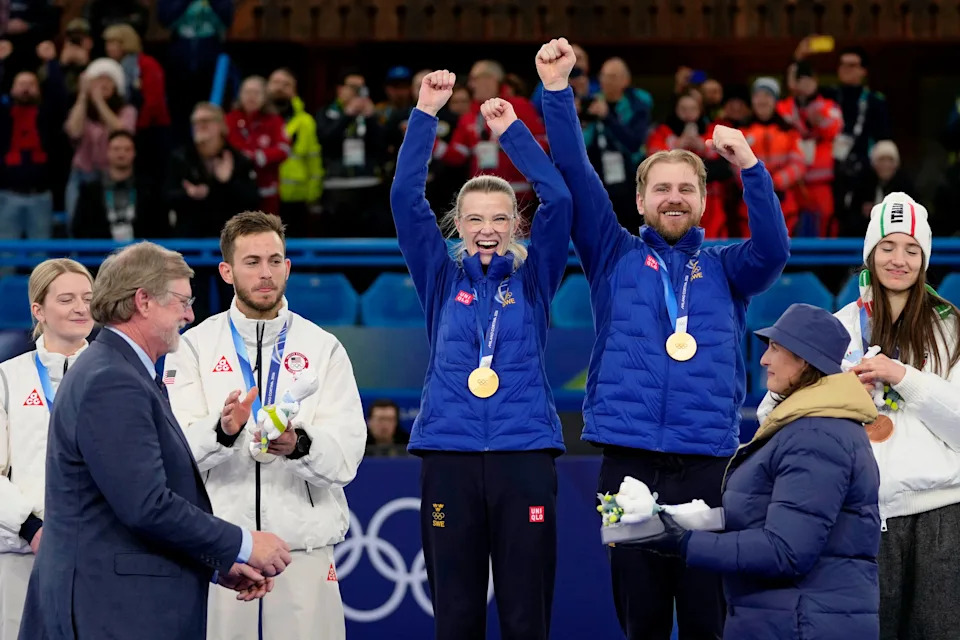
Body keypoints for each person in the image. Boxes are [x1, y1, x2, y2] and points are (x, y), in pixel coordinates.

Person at [536, 38, 790, 639]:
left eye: (686, 189)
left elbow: (776, 251)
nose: (673, 198)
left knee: (706, 615)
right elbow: (574, 170)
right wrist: (555, 92)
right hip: (627, 460)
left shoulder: (729, 268)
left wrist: (750, 166)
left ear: (703, 201)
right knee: (640, 614)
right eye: (661, 189)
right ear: (641, 199)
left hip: (708, 462)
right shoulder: (611, 253)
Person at [17, 242, 293, 640]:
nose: (189, 314)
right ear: (143, 301)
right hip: (111, 611)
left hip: (117, 603)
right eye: (181, 301)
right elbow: (145, 505)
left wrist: (216, 562)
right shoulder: (112, 380)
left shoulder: (122, 370)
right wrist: (242, 545)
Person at [391, 70, 572, 640]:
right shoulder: (439, 278)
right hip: (449, 455)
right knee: (456, 611)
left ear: (516, 225)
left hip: (524, 454)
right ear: (458, 227)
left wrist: (513, 132)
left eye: (500, 218)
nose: (488, 229)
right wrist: (426, 112)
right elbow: (404, 197)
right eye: (475, 219)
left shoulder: (537, 275)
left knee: (526, 612)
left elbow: (560, 196)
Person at [165, 211, 367, 640]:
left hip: (303, 552)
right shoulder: (193, 347)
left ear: (288, 267)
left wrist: (299, 446)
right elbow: (173, 451)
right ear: (226, 271)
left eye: (275, 261)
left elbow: (347, 457)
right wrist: (221, 431)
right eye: (252, 262)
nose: (265, 273)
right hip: (220, 551)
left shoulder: (324, 347)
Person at [635, 303, 881, 639]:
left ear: (804, 361)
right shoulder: (807, 427)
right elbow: (768, 518)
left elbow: (786, 551)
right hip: (791, 619)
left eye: (776, 349)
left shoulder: (817, 436)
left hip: (801, 625)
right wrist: (680, 522)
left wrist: (683, 542)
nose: (764, 359)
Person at [833, 192, 960, 639]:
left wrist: (904, 377)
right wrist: (840, 395)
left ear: (924, 259)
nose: (898, 260)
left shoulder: (952, 329)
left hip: (942, 516)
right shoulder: (841, 326)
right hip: (863, 514)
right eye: (887, 246)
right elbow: (784, 409)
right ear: (871, 253)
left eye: (911, 249)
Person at [0, 259, 94, 640]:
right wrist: (31, 528)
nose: (81, 308)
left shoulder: (120, 377)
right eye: (67, 299)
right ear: (38, 309)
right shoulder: (8, 378)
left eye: (88, 298)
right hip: (23, 556)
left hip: (98, 557)